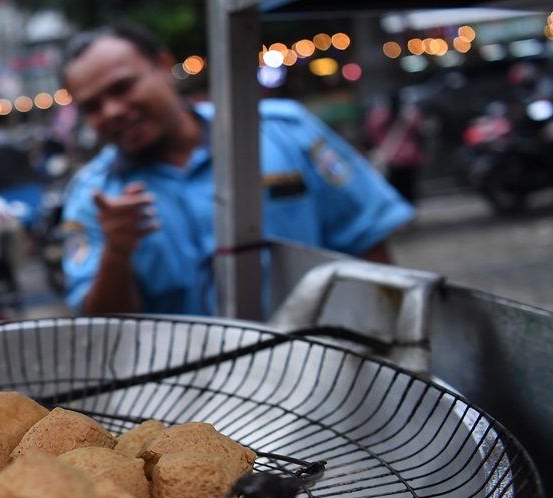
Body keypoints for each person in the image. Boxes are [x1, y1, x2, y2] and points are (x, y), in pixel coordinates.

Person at [58, 22, 415, 317]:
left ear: (164, 65)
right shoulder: (93, 198)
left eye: (123, 87)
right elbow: (101, 330)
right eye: (93, 106)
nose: (112, 111)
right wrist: (116, 253)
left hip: (325, 377)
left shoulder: (282, 133)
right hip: (185, 397)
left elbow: (367, 247)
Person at [365, 92, 425, 203]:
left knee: (403, 189)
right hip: (396, 160)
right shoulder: (381, 117)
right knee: (401, 189)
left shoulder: (406, 116)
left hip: (400, 160)